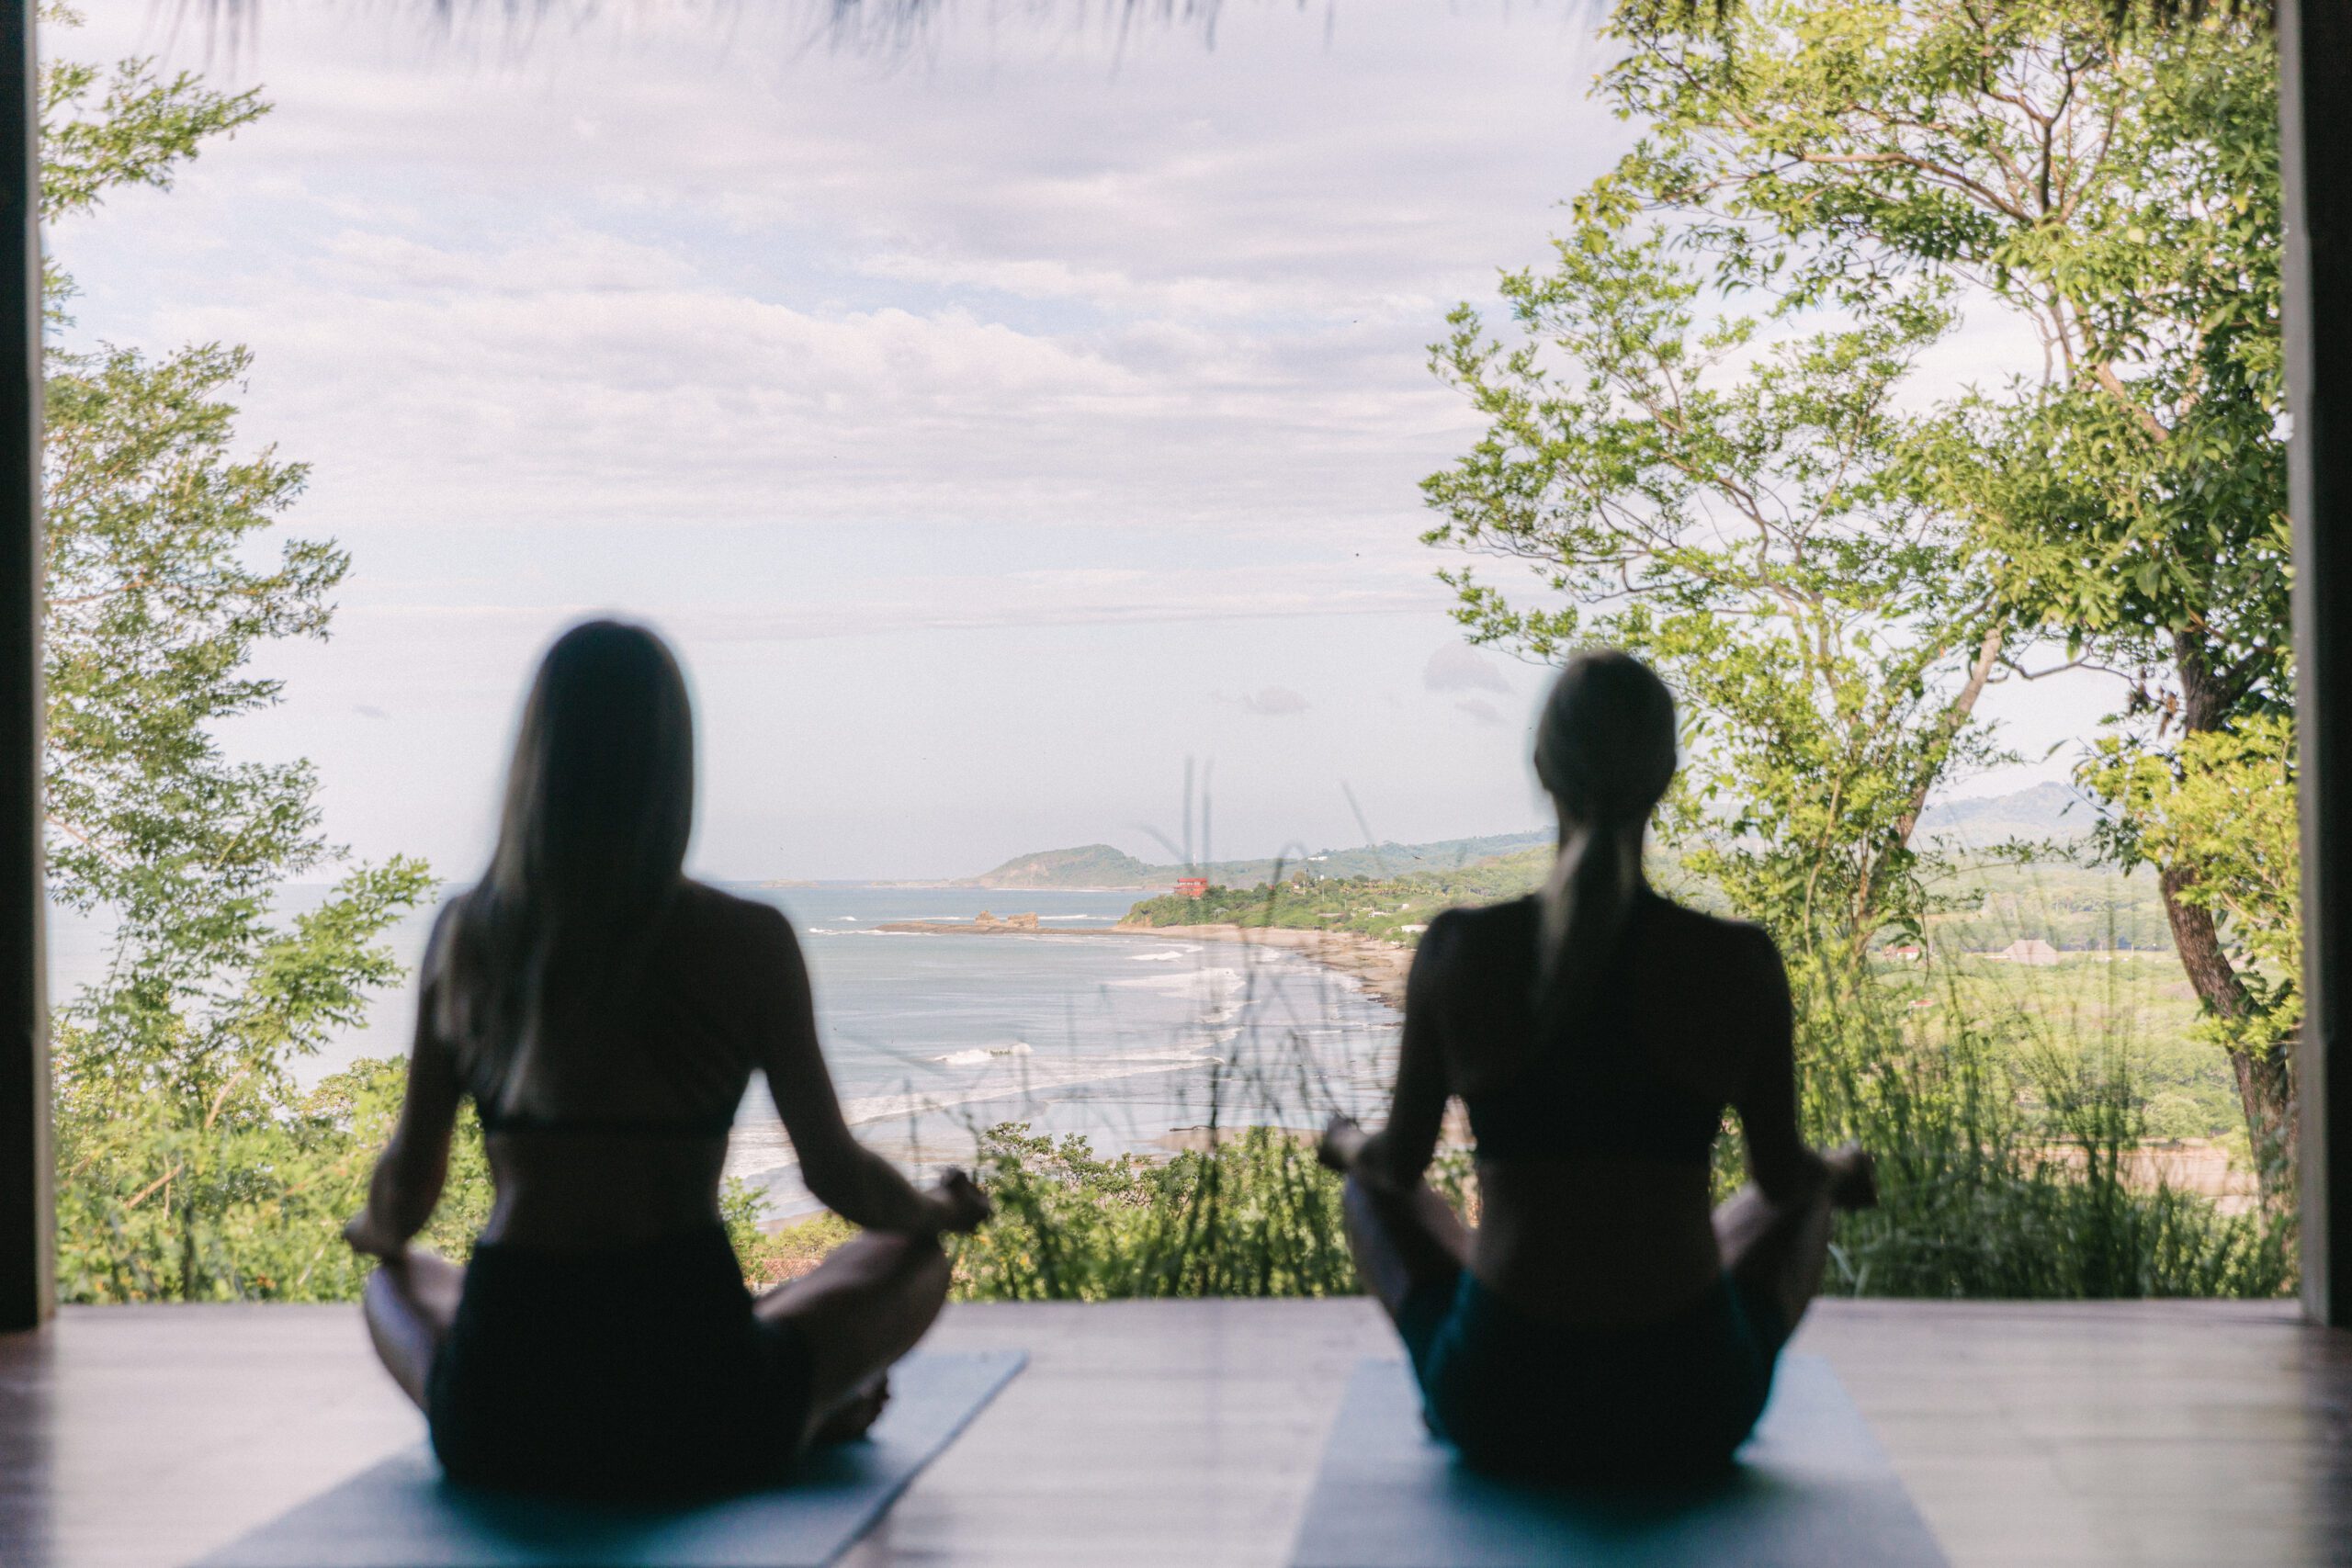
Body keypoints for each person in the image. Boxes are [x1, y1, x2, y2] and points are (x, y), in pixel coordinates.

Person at [344, 619, 990, 1500]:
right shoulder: (749, 940)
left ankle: (768, 1398)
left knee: (397, 1280)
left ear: (536, 762)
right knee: (912, 1259)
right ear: (673, 764)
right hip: (703, 1404)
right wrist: (935, 1210)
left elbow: (409, 1195)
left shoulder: (470, 932)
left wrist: (373, 1233)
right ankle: (800, 1409)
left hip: (502, 1412)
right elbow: (835, 1174)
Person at [1319, 649, 1873, 1484]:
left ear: (1542, 767)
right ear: (1667, 776)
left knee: (1372, 1189)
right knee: (1793, 1199)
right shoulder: (1737, 963)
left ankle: (1494, 1298)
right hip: (1692, 1400)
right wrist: (1842, 1167)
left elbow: (1398, 1165)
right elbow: (1786, 1179)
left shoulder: (1462, 951)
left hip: (1499, 1395)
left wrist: (1340, 1140)